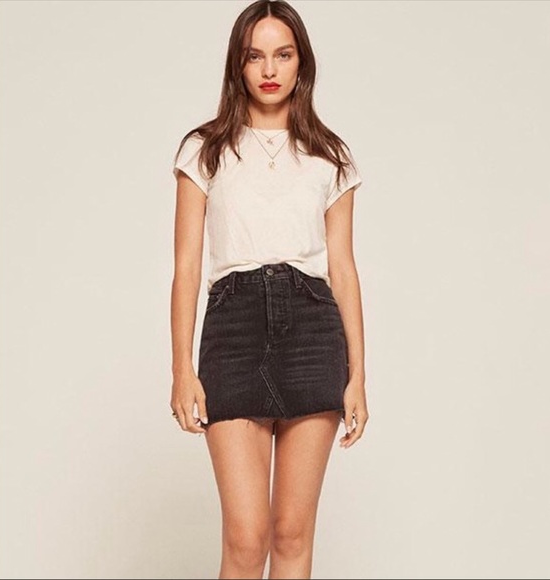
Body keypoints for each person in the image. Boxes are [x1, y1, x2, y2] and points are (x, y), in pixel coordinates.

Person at [169, 1, 369, 578]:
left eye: (283, 54)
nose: (269, 69)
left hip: (313, 330)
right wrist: (182, 368)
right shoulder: (204, 149)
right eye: (255, 56)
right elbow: (187, 267)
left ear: (302, 62)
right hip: (232, 330)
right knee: (245, 538)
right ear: (238, 65)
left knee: (291, 534)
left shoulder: (330, 156)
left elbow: (343, 269)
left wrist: (358, 375)